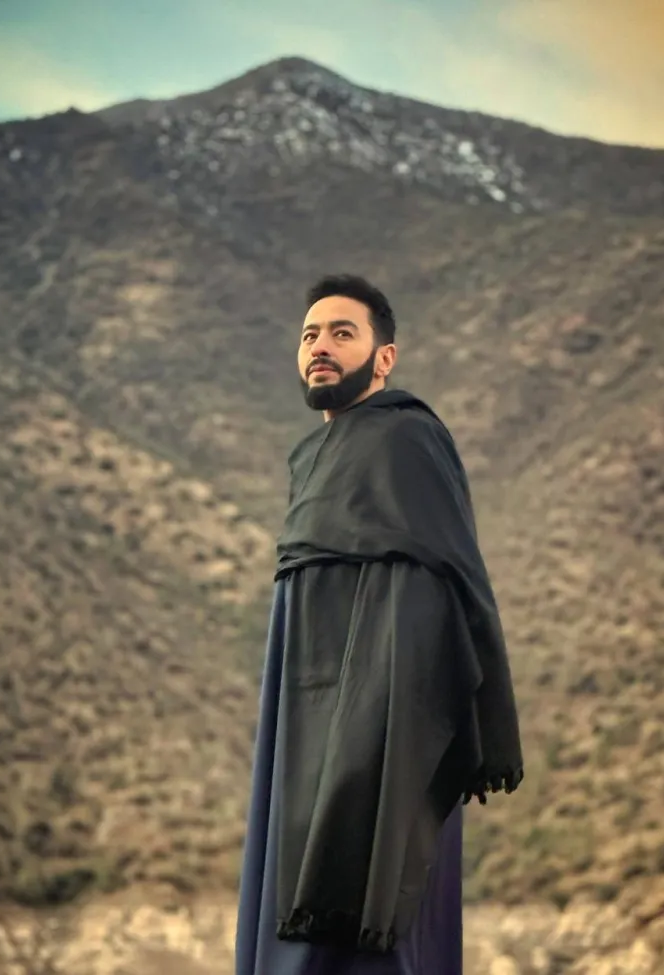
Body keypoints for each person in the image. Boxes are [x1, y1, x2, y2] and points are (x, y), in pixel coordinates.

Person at [235, 274, 524, 975]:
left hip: (387, 724)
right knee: (290, 892)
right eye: (310, 335)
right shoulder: (308, 459)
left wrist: (377, 730)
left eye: (342, 333)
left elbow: (441, 588)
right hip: (303, 710)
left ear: (383, 356)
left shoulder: (408, 438)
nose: (321, 347)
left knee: (371, 904)